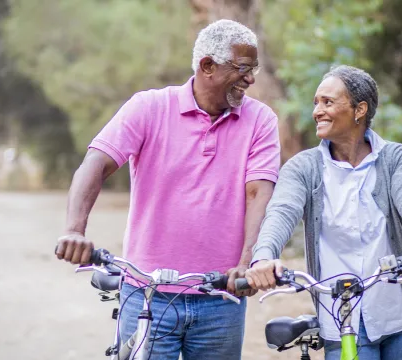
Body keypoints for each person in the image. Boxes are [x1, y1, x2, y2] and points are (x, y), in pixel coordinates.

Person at [55, 19, 281, 360]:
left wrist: (247, 262)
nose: (250, 79)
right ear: (207, 66)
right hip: (147, 294)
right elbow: (95, 165)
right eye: (242, 69)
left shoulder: (260, 120)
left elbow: (258, 193)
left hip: (221, 297)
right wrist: (75, 230)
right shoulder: (149, 107)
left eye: (254, 69)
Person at [245, 65, 402, 360]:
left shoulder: (395, 159)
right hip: (340, 320)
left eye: (328, 102)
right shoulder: (304, 167)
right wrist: (264, 256)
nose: (317, 111)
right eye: (316, 103)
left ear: (359, 109)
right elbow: (281, 212)